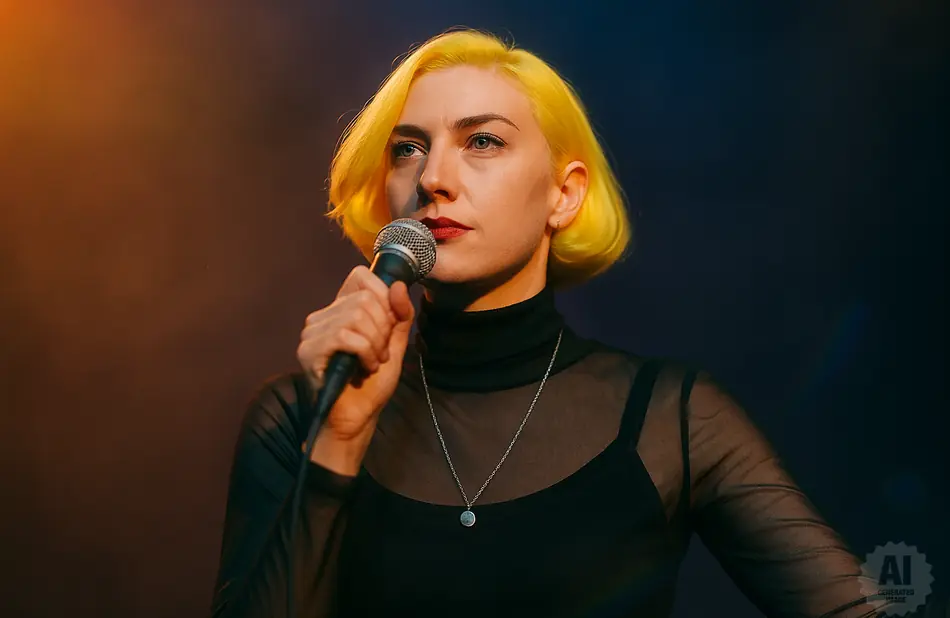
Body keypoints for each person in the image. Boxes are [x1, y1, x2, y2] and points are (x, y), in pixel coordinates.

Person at [210, 29, 889, 618]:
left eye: (481, 141)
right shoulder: (297, 417)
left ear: (564, 196)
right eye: (407, 149)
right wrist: (337, 442)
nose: (434, 177)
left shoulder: (670, 420)